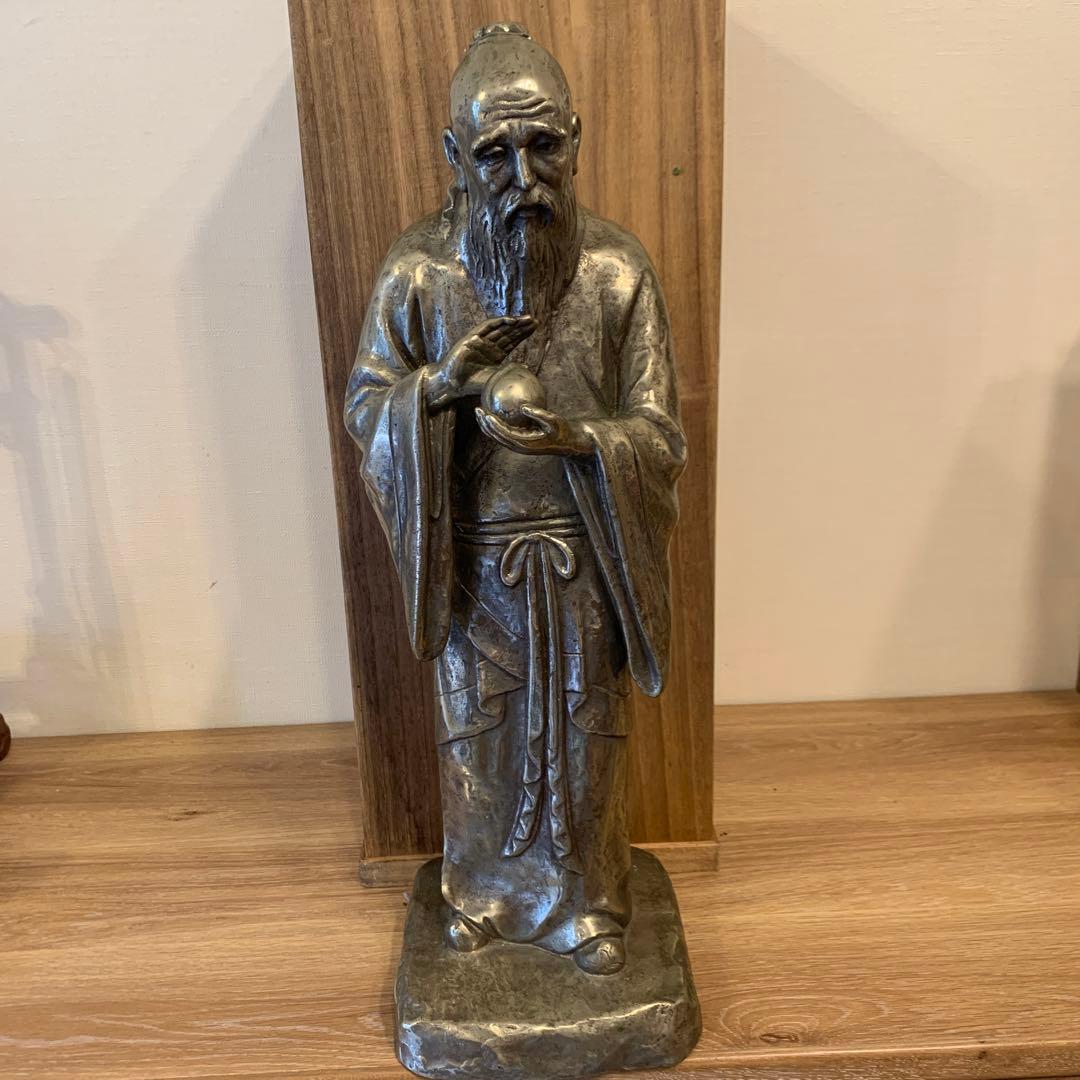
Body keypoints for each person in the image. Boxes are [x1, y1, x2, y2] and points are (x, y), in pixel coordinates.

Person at [345, 23, 685, 976]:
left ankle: (588, 905)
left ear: (577, 138)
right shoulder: (418, 273)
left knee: (585, 738)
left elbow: (659, 433)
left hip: (586, 560)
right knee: (481, 738)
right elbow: (369, 405)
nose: (524, 177)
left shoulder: (617, 272)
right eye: (495, 152)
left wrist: (580, 439)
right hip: (474, 566)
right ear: (455, 155)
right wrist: (441, 386)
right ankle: (481, 895)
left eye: (544, 146)